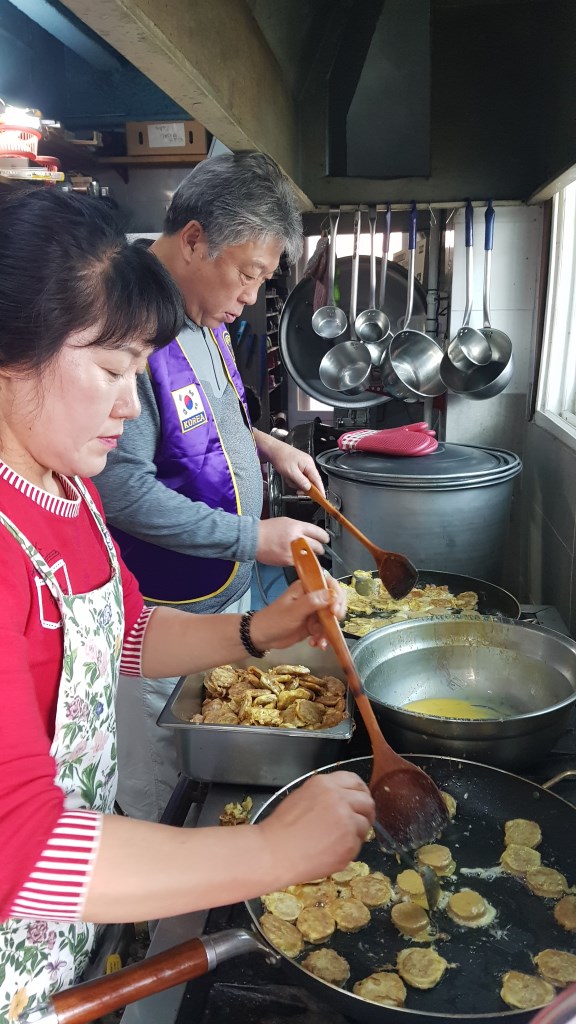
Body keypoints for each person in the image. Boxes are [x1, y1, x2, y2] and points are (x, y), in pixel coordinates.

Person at [0, 187, 374, 1023]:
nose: (131, 406)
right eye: (110, 371)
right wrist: (267, 851)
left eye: (138, 373)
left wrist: (258, 630)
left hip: (63, 934)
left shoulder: (66, 486)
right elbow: (18, 848)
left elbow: (126, 636)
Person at [94, 151, 331, 822]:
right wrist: (251, 536)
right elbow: (122, 490)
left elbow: (204, 421)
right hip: (162, 610)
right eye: (248, 273)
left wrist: (269, 444)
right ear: (195, 240)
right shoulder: (129, 324)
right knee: (161, 780)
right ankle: (155, 882)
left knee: (213, 759)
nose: (252, 295)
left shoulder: (204, 314)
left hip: (224, 590)